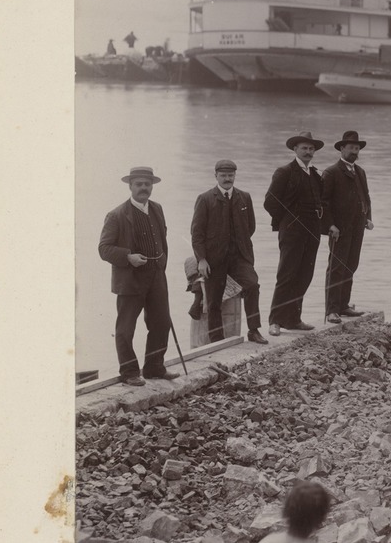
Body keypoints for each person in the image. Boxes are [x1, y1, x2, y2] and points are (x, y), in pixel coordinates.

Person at [97, 166, 175, 386]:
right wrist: (128, 257)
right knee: (125, 329)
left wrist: (161, 263)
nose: (143, 188)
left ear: (152, 187)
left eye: (147, 184)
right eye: (139, 184)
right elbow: (104, 249)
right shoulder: (116, 215)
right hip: (130, 280)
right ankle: (130, 372)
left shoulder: (157, 209)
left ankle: (154, 367)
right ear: (130, 186)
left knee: (161, 323)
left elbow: (163, 238)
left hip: (156, 276)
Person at [189, 159, 267, 345]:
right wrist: (202, 259)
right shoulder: (205, 198)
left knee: (252, 286)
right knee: (214, 300)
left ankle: (253, 330)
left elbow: (251, 227)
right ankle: (217, 340)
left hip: (240, 257)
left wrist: (240, 248)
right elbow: (196, 233)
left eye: (230, 175)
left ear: (235, 176)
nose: (227, 179)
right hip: (214, 259)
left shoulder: (244, 197)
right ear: (215, 176)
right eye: (223, 175)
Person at [263, 131, 328, 336]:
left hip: (312, 231)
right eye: (304, 148)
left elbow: (322, 202)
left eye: (311, 149)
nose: (308, 152)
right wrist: (287, 222)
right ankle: (275, 320)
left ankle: (293, 319)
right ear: (295, 150)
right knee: (287, 274)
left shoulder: (316, 174)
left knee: (305, 274)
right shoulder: (284, 172)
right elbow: (270, 202)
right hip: (291, 231)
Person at [321, 130, 374, 324]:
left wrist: (368, 216)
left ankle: (344, 306)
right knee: (336, 267)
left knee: (351, 265)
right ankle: (331, 310)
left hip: (357, 227)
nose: (354, 151)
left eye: (357, 148)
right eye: (351, 147)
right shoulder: (331, 172)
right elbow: (323, 202)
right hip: (339, 229)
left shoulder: (360, 171)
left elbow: (365, 196)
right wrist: (330, 225)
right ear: (341, 149)